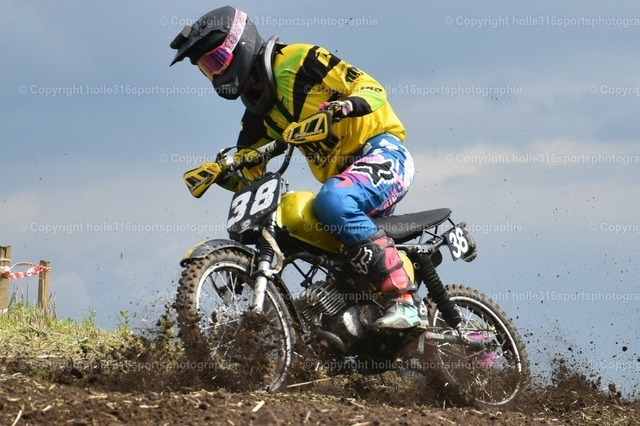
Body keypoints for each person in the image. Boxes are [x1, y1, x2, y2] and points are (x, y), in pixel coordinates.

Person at [170, 6, 419, 329]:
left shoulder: (301, 60)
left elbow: (370, 86)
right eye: (207, 69)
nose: (215, 75)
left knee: (332, 201)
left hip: (383, 152)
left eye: (217, 61)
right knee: (295, 225)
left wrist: (347, 105)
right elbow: (250, 166)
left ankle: (404, 300)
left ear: (241, 44)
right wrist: (223, 173)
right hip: (343, 180)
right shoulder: (258, 112)